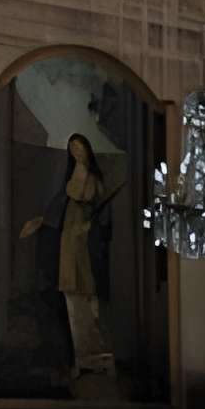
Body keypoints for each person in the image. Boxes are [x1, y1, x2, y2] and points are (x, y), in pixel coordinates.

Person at [23, 134, 123, 382]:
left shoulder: (90, 179)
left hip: (85, 246)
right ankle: (82, 356)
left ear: (88, 151)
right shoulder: (74, 180)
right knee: (72, 302)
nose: (77, 154)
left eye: (79, 149)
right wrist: (40, 222)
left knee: (87, 303)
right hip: (70, 244)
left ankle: (95, 355)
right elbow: (62, 204)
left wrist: (81, 168)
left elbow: (80, 194)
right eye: (73, 151)